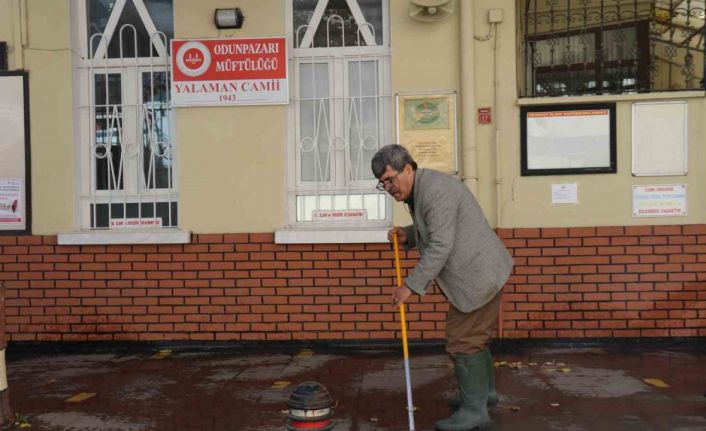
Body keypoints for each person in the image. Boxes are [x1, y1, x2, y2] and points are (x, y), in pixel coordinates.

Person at [371, 144, 513, 431]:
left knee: (463, 340)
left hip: (478, 276)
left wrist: (410, 286)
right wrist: (408, 236)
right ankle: (484, 395)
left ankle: (475, 411)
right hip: (480, 273)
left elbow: (440, 245)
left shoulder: (434, 191)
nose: (387, 187)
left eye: (390, 179)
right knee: (475, 336)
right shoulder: (423, 189)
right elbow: (437, 229)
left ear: (408, 168)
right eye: (382, 183)